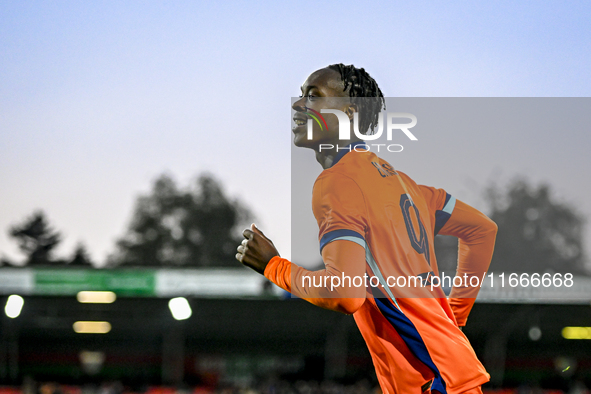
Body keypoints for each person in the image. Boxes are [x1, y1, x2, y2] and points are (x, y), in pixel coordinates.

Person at [235, 64, 497, 394]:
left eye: (313, 96)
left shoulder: (338, 182)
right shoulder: (406, 185)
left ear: (349, 113)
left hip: (434, 382)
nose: (297, 104)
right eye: (301, 95)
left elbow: (345, 294)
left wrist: (273, 266)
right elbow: (482, 231)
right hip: (449, 374)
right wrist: (454, 320)